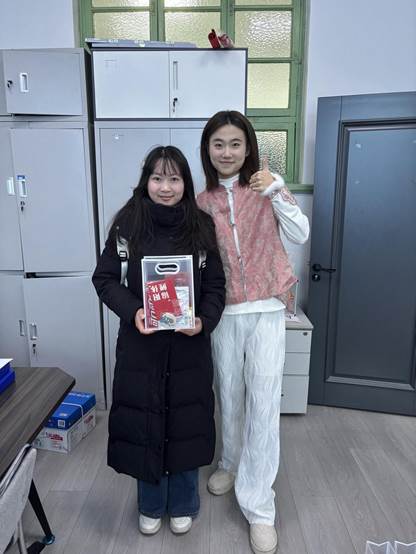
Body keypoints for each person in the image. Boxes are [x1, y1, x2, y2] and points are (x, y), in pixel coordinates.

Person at [92, 146, 225, 537]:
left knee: (186, 421)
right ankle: (150, 504)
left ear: (186, 182)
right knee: (145, 421)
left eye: (174, 179)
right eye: (158, 178)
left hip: (188, 347)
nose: (166, 188)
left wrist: (203, 321)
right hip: (142, 348)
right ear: (146, 181)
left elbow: (216, 287)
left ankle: (183, 503)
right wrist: (135, 311)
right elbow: (105, 280)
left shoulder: (201, 226)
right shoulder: (127, 225)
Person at [197, 111, 310, 554]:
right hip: (224, 311)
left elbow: (300, 234)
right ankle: (229, 462)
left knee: (263, 401)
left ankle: (260, 506)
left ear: (248, 148)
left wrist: (278, 189)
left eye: (235, 143)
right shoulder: (202, 201)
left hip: (266, 307)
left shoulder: (266, 189)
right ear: (208, 150)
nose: (227, 152)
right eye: (218, 144)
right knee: (228, 393)